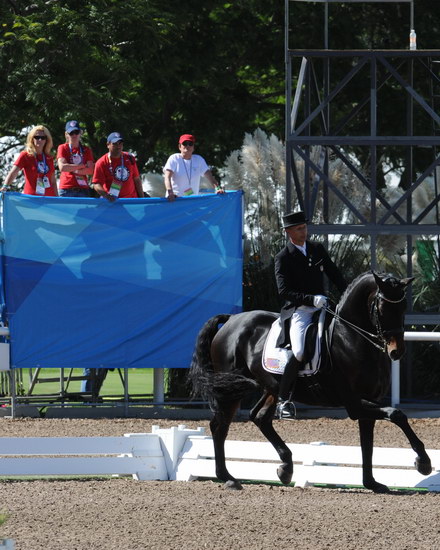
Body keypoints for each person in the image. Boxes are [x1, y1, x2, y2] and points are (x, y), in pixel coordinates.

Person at [274, 211, 347, 419]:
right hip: (301, 310)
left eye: (304, 227)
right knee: (298, 352)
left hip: (324, 306)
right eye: (298, 229)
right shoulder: (283, 258)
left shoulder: (316, 249)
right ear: (288, 232)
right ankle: (283, 400)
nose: (303, 231)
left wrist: (347, 294)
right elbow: (284, 292)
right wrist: (311, 299)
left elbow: (335, 274)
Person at [163, 133, 224, 201]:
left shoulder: (199, 160)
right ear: (180, 146)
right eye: (185, 143)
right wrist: (170, 192)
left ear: (193, 147)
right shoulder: (174, 158)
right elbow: (167, 177)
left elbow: (210, 177)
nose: (188, 146)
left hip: (192, 201)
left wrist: (218, 188)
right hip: (175, 200)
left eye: (190, 144)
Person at [1, 125, 58, 196]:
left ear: (46, 140)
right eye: (37, 137)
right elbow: (13, 173)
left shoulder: (49, 158)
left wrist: (57, 199)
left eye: (43, 138)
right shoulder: (25, 155)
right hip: (30, 200)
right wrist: (5, 186)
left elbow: (53, 182)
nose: (40, 140)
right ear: (32, 139)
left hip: (48, 199)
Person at [92, 132, 145, 201]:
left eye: (120, 143)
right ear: (108, 145)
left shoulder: (130, 157)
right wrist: (106, 196)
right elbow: (96, 184)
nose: (118, 146)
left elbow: (137, 179)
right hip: (113, 202)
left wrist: (142, 199)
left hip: (131, 200)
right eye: (115, 143)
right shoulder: (101, 162)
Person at [57, 120, 95, 197]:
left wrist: (71, 168)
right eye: (71, 133)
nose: (74, 135)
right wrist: (82, 166)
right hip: (66, 189)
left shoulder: (86, 149)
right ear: (66, 134)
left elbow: (91, 170)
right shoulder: (62, 148)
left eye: (76, 132)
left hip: (83, 189)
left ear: (80, 133)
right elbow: (63, 167)